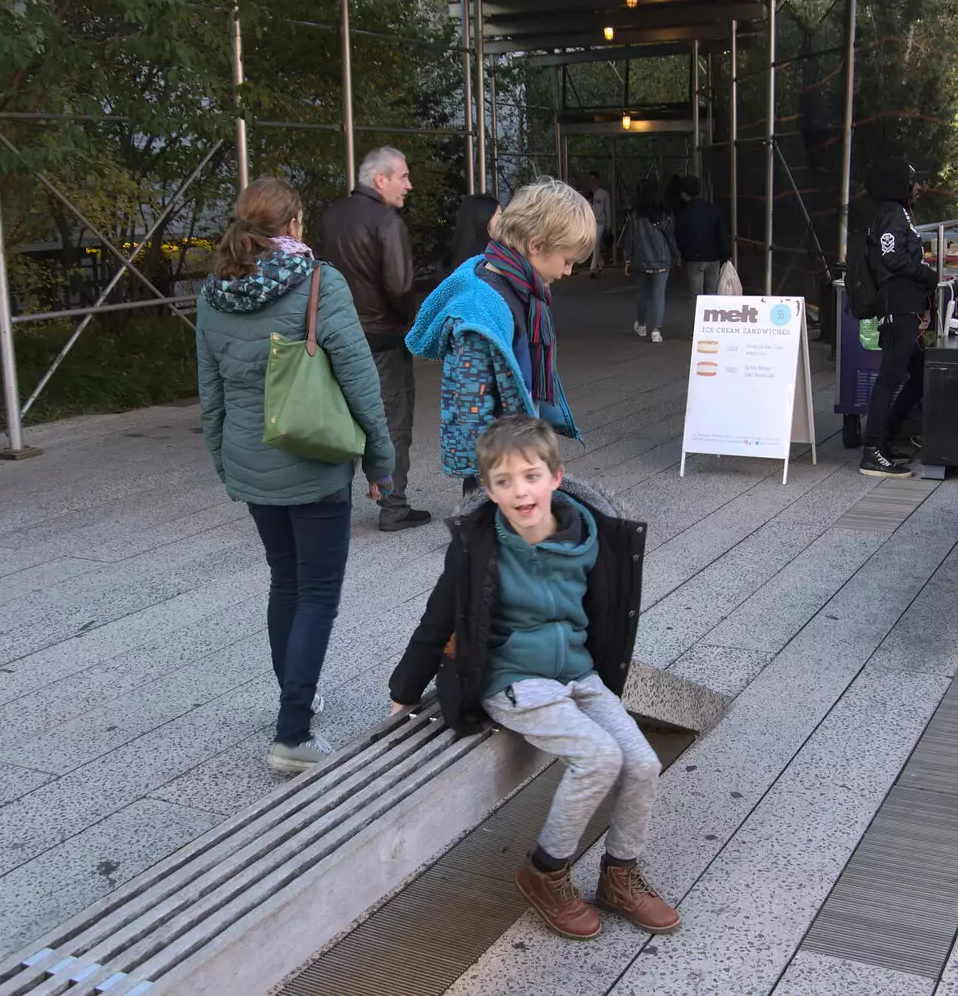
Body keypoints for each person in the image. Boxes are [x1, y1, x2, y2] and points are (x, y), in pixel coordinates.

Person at [389, 414, 680, 940]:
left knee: (640, 762)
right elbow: (438, 617)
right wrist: (404, 691)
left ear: (555, 477)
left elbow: (604, 613)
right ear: (489, 489)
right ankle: (545, 872)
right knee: (599, 757)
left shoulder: (591, 537)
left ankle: (620, 873)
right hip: (513, 677)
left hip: (579, 672)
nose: (519, 491)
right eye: (503, 482)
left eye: (530, 476)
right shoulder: (478, 546)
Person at [197, 177, 397, 773]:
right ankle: (292, 733)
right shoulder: (317, 282)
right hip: (312, 460)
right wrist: (380, 459)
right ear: (295, 224)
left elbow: (209, 393)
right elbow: (360, 376)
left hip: (249, 457)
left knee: (285, 582)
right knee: (316, 592)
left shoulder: (214, 292)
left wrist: (223, 459)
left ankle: (295, 698)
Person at [406, 177, 589, 496]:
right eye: (567, 260)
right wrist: (500, 480)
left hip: (519, 453)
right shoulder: (480, 306)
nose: (569, 271)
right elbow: (471, 404)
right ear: (536, 246)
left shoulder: (527, 291)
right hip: (498, 472)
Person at [315, 146, 430, 532]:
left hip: (336, 338)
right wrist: (409, 322)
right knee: (391, 422)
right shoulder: (387, 221)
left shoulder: (330, 216)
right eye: (403, 177)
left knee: (341, 423)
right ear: (380, 179)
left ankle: (332, 507)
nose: (409, 186)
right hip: (382, 339)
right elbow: (399, 286)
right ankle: (392, 505)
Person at [859, 156, 937, 479]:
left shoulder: (898, 213)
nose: (918, 187)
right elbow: (892, 257)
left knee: (918, 374)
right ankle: (872, 451)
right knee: (890, 377)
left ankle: (886, 436)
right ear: (898, 185)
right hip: (898, 304)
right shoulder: (892, 214)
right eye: (913, 181)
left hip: (906, 304)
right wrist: (928, 274)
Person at [625, 180, 680, 344]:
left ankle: (641, 325)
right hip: (662, 260)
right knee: (658, 295)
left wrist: (628, 259)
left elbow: (630, 239)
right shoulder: (666, 214)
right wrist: (677, 256)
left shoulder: (635, 215)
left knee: (642, 293)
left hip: (641, 261)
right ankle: (656, 330)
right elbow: (671, 238)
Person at [673, 175, 731, 302]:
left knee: (696, 295)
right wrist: (725, 254)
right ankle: (710, 321)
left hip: (694, 259)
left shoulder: (683, 213)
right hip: (713, 258)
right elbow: (722, 233)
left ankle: (697, 321)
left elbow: (680, 239)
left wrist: (682, 256)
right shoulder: (713, 209)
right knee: (712, 293)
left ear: (683, 193)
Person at [445, 193, 501, 272]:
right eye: (499, 214)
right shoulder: (489, 264)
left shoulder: (449, 264)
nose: (503, 220)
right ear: (483, 219)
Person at [586, 172, 613, 277]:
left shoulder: (604, 194)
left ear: (598, 180)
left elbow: (607, 210)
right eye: (591, 179)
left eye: (594, 179)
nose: (592, 182)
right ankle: (601, 264)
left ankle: (592, 269)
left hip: (600, 222)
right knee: (591, 245)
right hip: (590, 222)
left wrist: (608, 226)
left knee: (596, 242)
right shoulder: (589, 194)